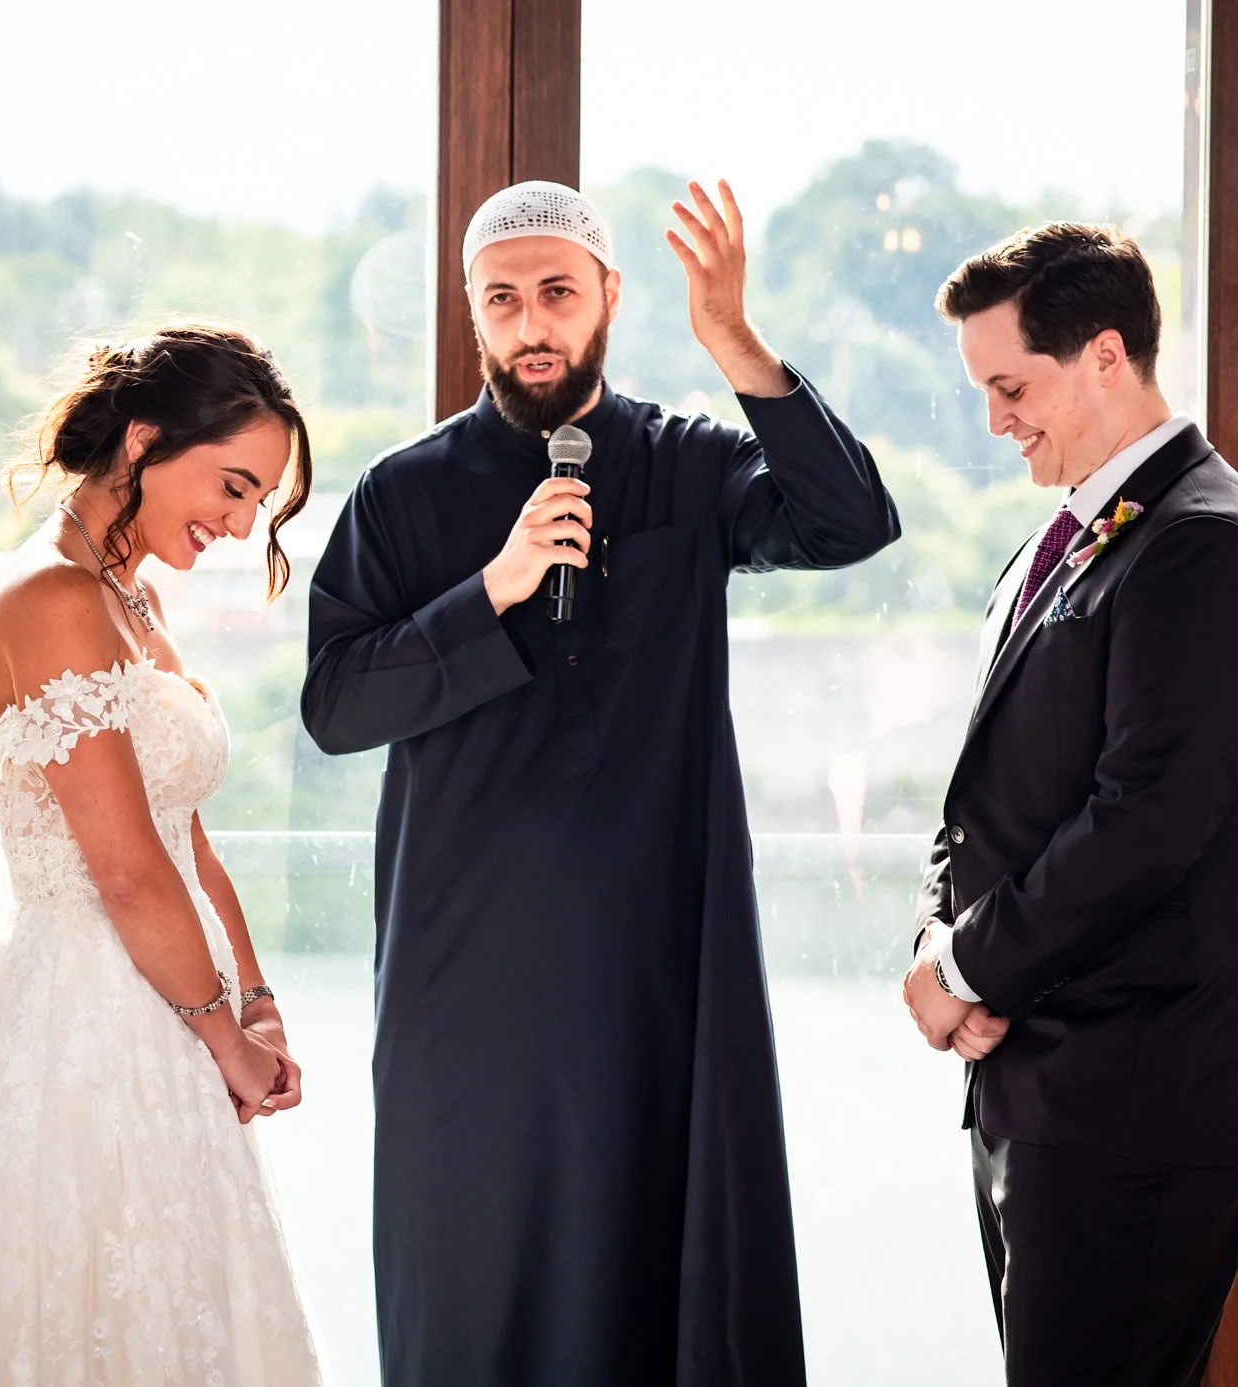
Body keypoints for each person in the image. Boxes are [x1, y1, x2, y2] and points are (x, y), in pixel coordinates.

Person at [302, 179, 900, 1386]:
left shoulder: (686, 464)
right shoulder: (403, 493)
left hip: (652, 960)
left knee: (653, 1269)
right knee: (469, 1273)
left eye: (558, 294)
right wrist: (494, 589)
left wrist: (734, 341)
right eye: (504, 299)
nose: (533, 324)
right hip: (462, 978)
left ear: (609, 298)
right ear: (471, 312)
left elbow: (848, 522)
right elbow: (336, 705)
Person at [0, 325, 322, 1386]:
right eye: (234, 485)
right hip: (92, 1013)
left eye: (260, 503)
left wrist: (256, 1000)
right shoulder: (50, 602)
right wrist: (221, 1034)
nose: (244, 522)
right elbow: (122, 869)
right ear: (146, 438)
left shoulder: (135, 601)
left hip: (174, 1002)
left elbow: (184, 833)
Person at [903, 224, 1238, 1387]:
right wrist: (941, 944)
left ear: (1105, 356)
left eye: (1011, 386)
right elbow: (989, 789)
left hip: (1147, 1093)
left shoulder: (1207, 546)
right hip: (1046, 1077)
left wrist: (966, 970)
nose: (996, 421)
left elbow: (1145, 825)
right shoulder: (1063, 538)